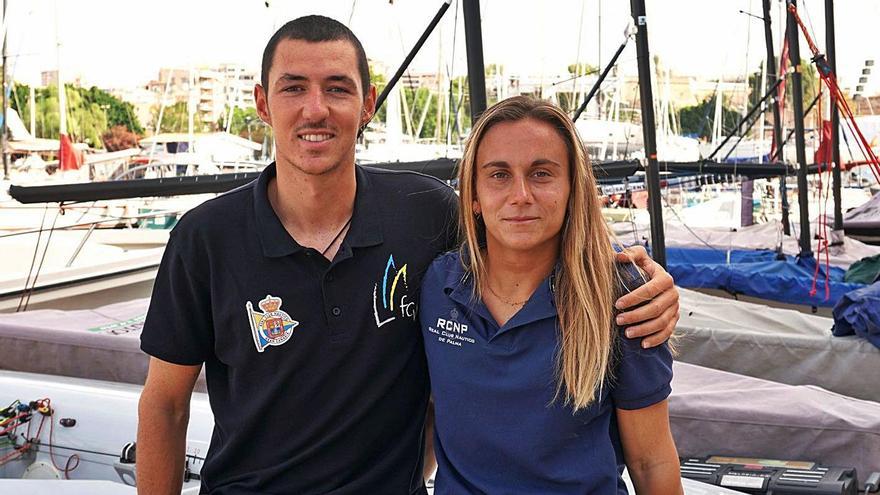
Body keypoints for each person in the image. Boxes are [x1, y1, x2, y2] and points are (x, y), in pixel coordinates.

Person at [137, 16, 680, 494]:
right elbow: (164, 404)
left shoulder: (426, 214)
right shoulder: (204, 238)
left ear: (368, 103)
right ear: (262, 103)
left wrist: (645, 286)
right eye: (293, 87)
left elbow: (530, 232)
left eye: (338, 88)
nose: (315, 108)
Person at [419, 96, 683, 494]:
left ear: (573, 188)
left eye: (541, 174)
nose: (521, 194)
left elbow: (651, 462)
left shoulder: (622, 296)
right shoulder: (438, 284)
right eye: (499, 175)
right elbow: (433, 413)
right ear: (473, 194)